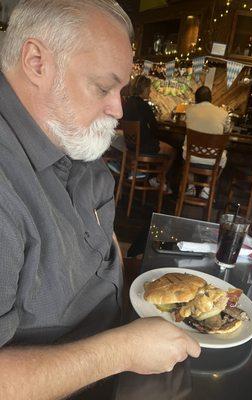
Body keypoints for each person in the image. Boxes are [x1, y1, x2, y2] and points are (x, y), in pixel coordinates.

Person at [0, 1, 200, 399]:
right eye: (103, 87)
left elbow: (100, 247)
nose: (118, 108)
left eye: (121, 90)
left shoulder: (68, 138)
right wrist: (122, 350)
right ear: (37, 62)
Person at [123, 74, 176, 189]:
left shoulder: (127, 103)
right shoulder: (144, 105)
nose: (150, 91)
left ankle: (152, 177)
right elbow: (154, 128)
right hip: (143, 146)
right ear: (144, 89)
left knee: (159, 147)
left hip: (130, 145)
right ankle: (157, 179)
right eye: (149, 88)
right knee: (171, 151)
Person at [183, 86, 230, 198]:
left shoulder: (189, 110)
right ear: (211, 98)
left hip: (192, 156)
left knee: (186, 151)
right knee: (223, 156)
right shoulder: (223, 114)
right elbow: (226, 132)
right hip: (213, 159)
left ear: (196, 99)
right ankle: (207, 189)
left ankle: (190, 187)